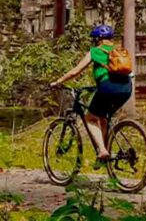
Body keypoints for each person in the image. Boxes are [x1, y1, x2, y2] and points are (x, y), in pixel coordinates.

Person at [50, 24, 133, 161]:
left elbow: (75, 71)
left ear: (96, 39)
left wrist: (58, 82)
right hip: (126, 88)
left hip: (108, 87)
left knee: (90, 118)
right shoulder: (119, 51)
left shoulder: (95, 51)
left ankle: (102, 151)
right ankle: (105, 155)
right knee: (103, 118)